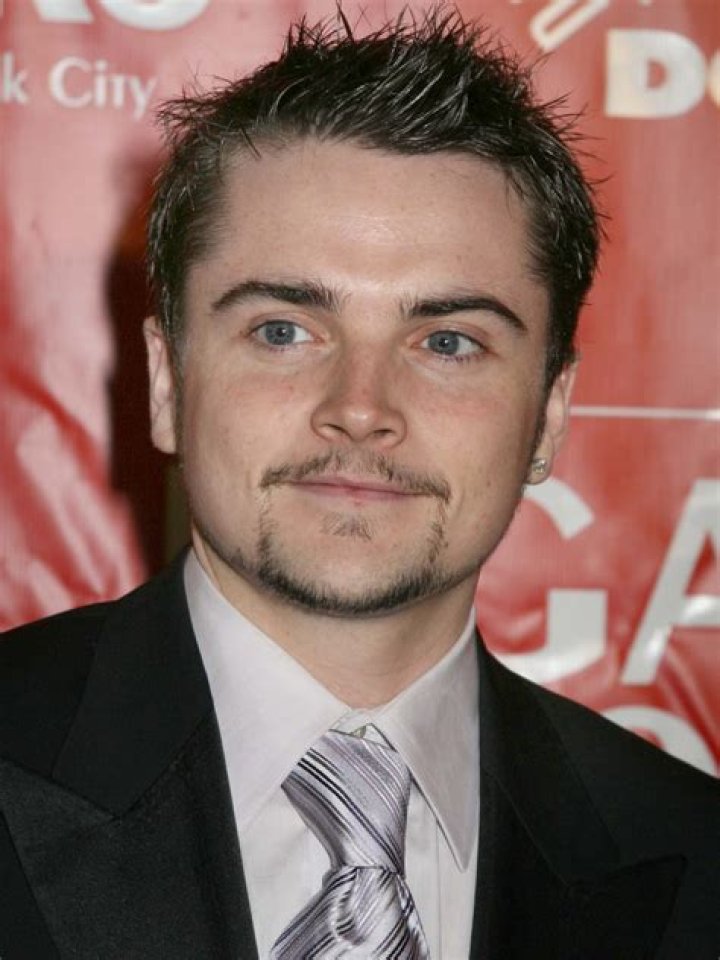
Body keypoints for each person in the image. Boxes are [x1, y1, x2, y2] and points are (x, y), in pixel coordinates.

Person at [1, 10, 718, 960]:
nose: (361, 408)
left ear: (549, 413)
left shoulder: (696, 860)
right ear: (168, 381)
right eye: (284, 331)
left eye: (448, 342)